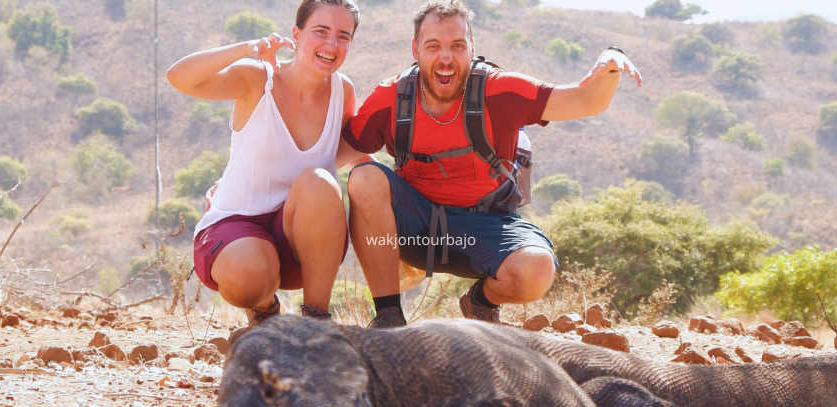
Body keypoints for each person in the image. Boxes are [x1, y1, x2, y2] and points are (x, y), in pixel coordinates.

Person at [339, 0, 642, 327]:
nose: (446, 57)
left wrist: (611, 62)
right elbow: (339, 152)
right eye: (433, 46)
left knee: (537, 270)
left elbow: (587, 100)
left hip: (485, 227)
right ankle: (388, 316)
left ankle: (481, 302)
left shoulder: (499, 91)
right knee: (363, 178)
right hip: (417, 228)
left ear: (472, 48)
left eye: (457, 45)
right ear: (416, 49)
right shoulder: (393, 97)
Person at [166, 0, 364, 333]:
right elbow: (179, 78)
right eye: (321, 31)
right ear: (296, 35)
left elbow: (339, 156)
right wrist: (247, 48)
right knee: (248, 278)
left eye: (343, 36)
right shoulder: (258, 79)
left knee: (321, 182)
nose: (332, 45)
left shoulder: (343, 91)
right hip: (236, 229)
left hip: (296, 238)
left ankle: (315, 326)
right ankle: (265, 311)